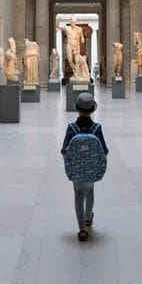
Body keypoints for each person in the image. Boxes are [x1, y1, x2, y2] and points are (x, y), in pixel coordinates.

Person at [61, 91, 109, 242]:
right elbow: (105, 151)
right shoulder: (97, 128)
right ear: (92, 110)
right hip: (91, 169)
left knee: (78, 194)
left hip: (76, 170)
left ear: (77, 109)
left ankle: (81, 228)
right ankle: (88, 217)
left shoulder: (72, 128)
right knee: (90, 190)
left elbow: (64, 151)